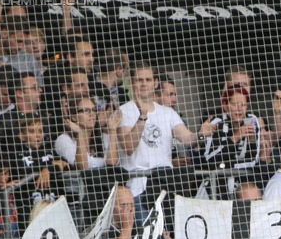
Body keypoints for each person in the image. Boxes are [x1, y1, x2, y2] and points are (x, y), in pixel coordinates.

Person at [116, 62, 215, 199]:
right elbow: (128, 147)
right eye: (139, 80)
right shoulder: (123, 111)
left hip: (166, 184)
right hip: (138, 188)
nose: (144, 84)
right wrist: (142, 117)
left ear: (156, 83)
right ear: (132, 82)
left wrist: (200, 134)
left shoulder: (167, 113)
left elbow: (187, 139)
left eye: (148, 80)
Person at [55, 96, 120, 170]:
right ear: (74, 117)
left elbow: (112, 164)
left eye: (93, 110)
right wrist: (80, 134)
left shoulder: (103, 137)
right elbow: (83, 166)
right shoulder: (64, 140)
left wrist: (112, 130)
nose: (91, 114)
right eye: (86, 110)